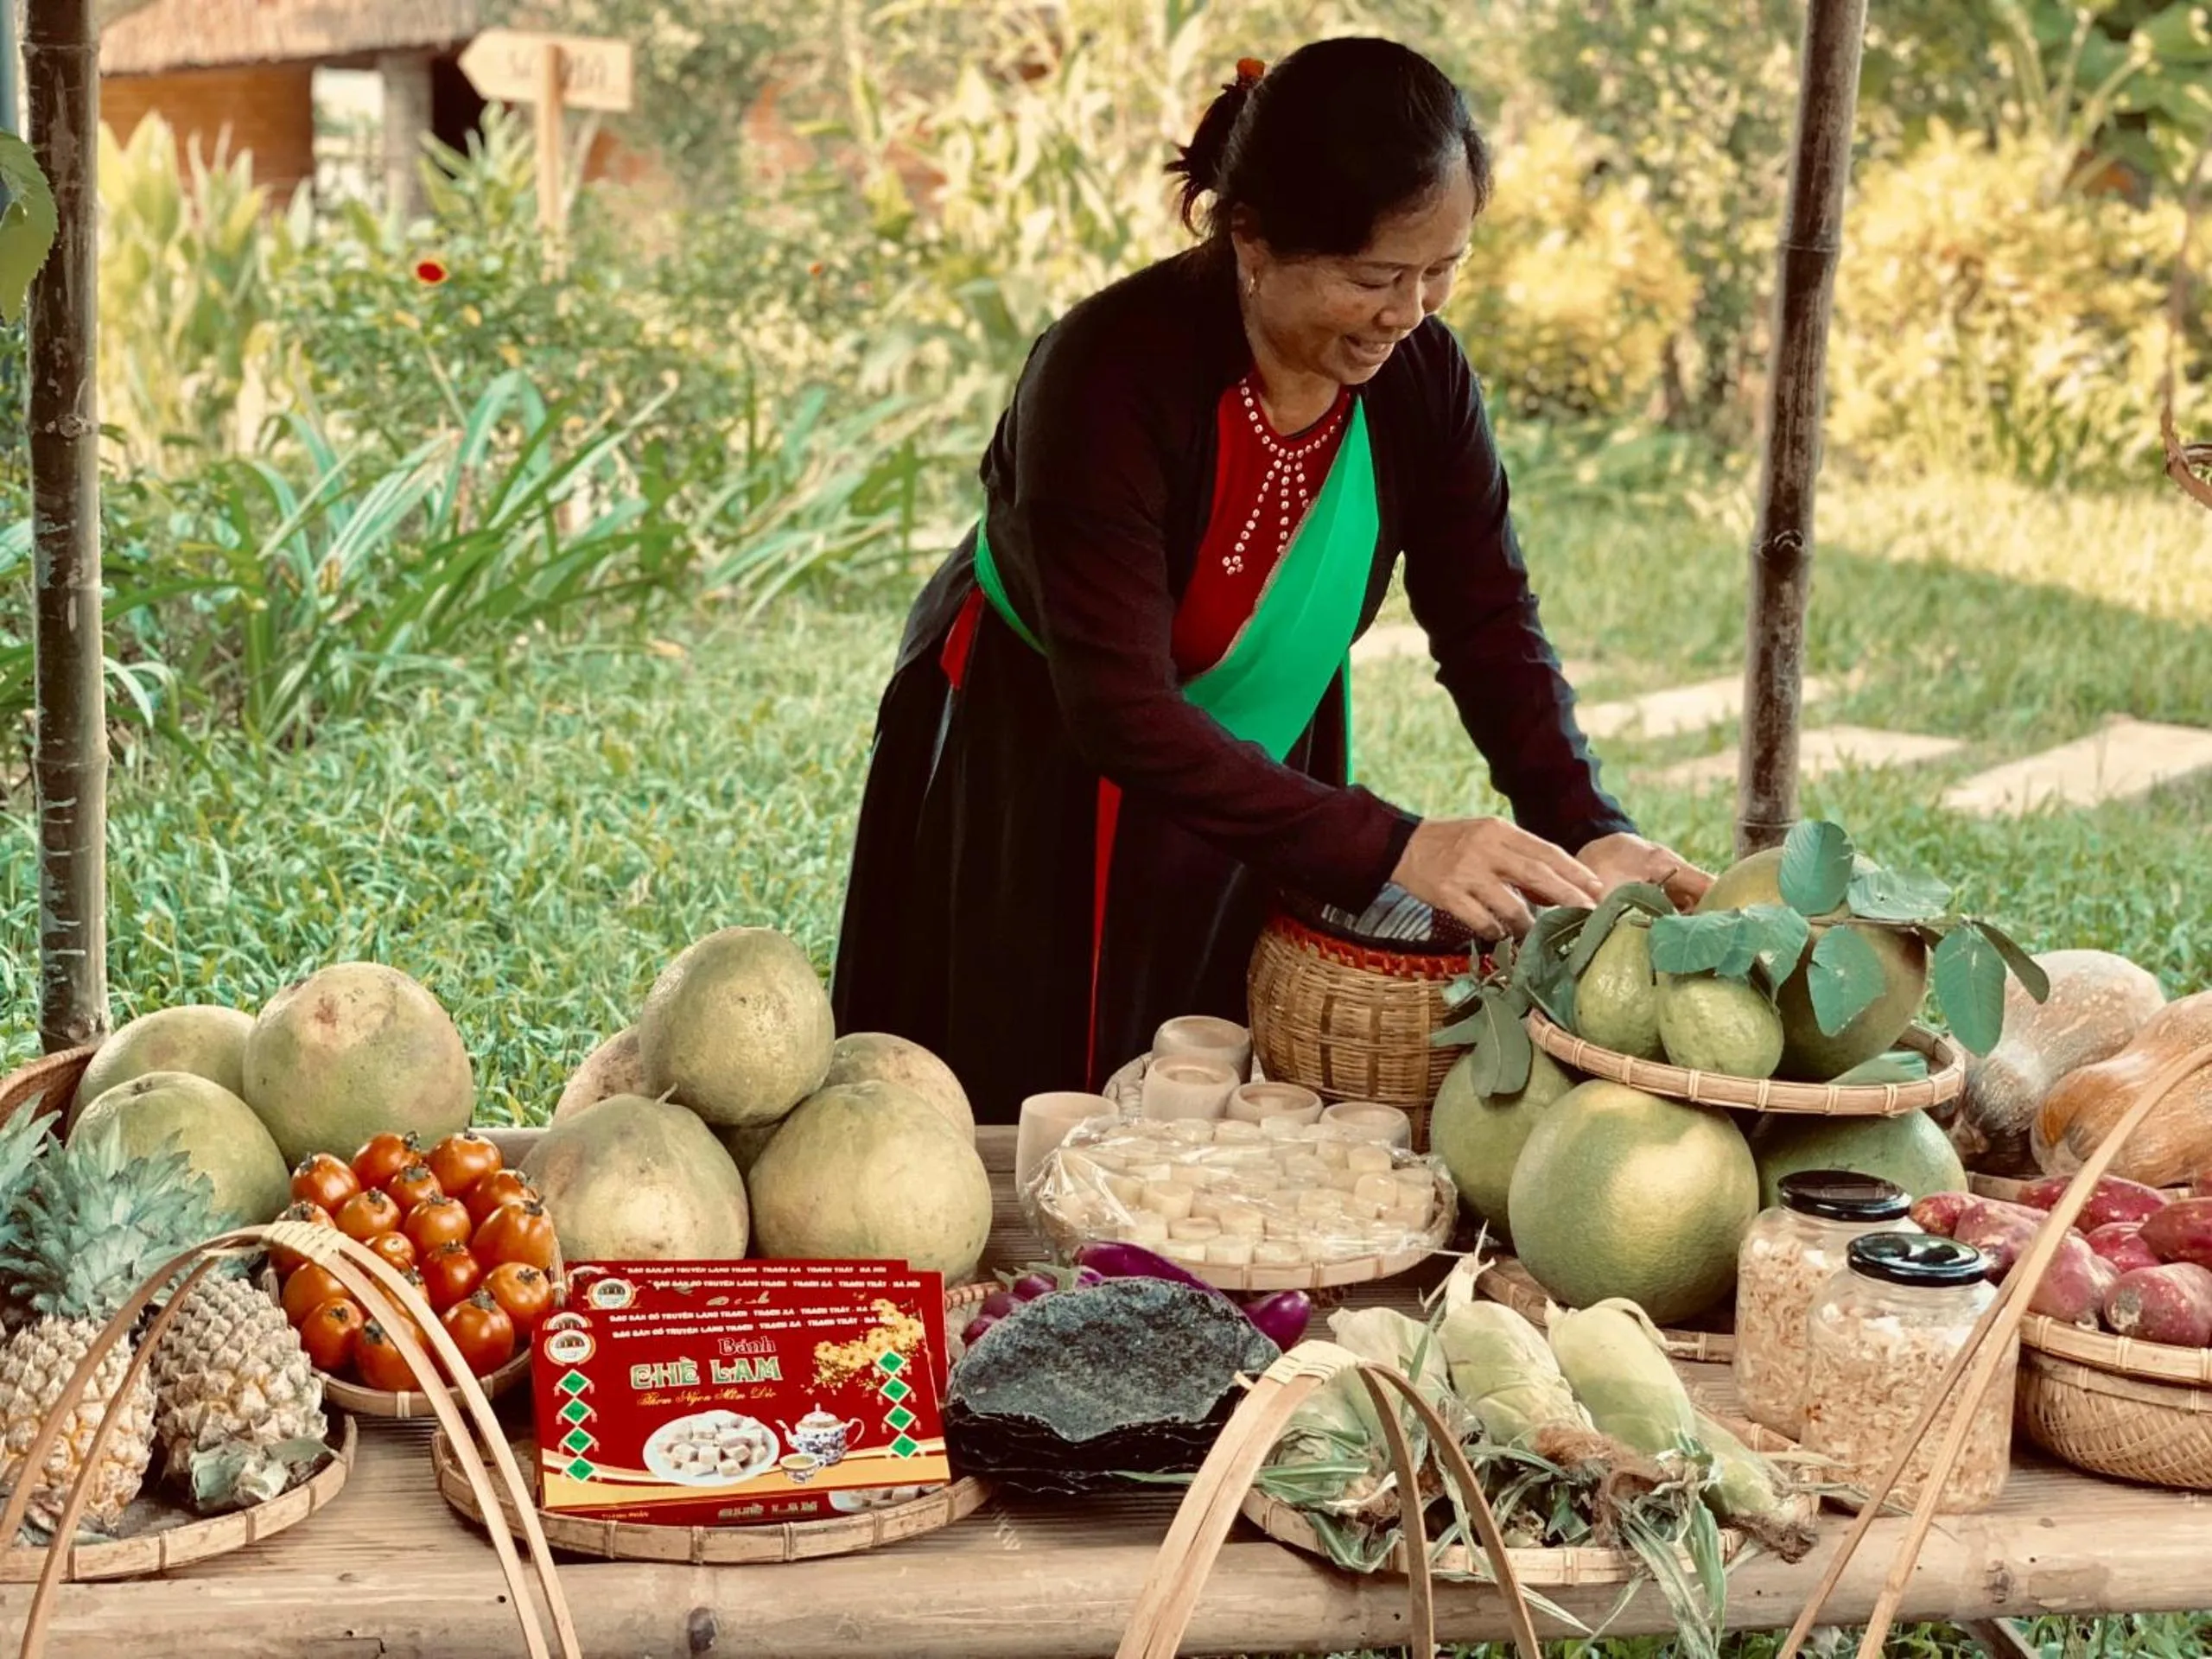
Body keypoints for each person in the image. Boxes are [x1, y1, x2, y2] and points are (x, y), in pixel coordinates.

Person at [833, 37, 1708, 1124]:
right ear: (1249, 237)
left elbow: (1487, 623)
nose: (1412, 310)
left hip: (1259, 737)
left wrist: (1582, 825)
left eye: (1444, 269)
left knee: (1216, 1075)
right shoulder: (1106, 379)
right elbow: (1120, 713)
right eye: (1373, 276)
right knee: (1026, 1095)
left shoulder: (1419, 381)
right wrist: (1396, 847)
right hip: (1045, 751)